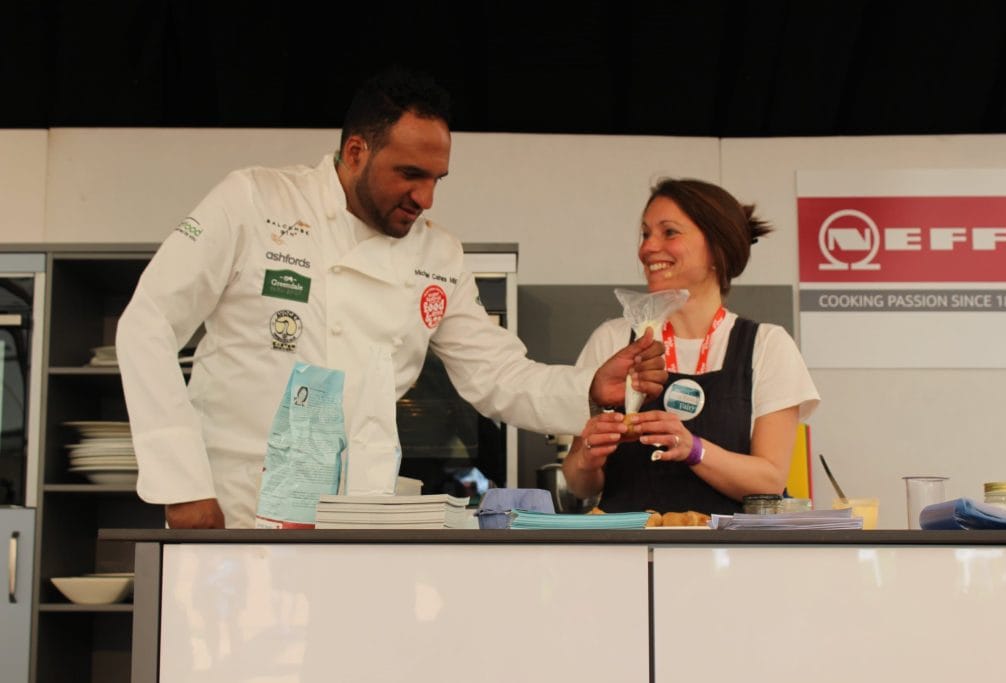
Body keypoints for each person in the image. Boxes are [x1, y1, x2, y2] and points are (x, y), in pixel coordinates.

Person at [115, 67, 666, 529]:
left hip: (362, 518)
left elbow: (498, 375)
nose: (424, 198)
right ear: (355, 151)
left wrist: (589, 387)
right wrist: (182, 484)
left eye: (436, 179)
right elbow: (147, 324)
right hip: (235, 508)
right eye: (408, 174)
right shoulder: (254, 201)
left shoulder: (438, 257)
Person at [562, 178, 820, 515]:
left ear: (717, 248)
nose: (647, 248)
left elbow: (770, 480)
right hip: (626, 554)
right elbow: (579, 483)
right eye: (645, 234)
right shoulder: (612, 340)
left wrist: (693, 448)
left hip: (725, 556)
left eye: (669, 232)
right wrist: (588, 459)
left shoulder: (767, 346)